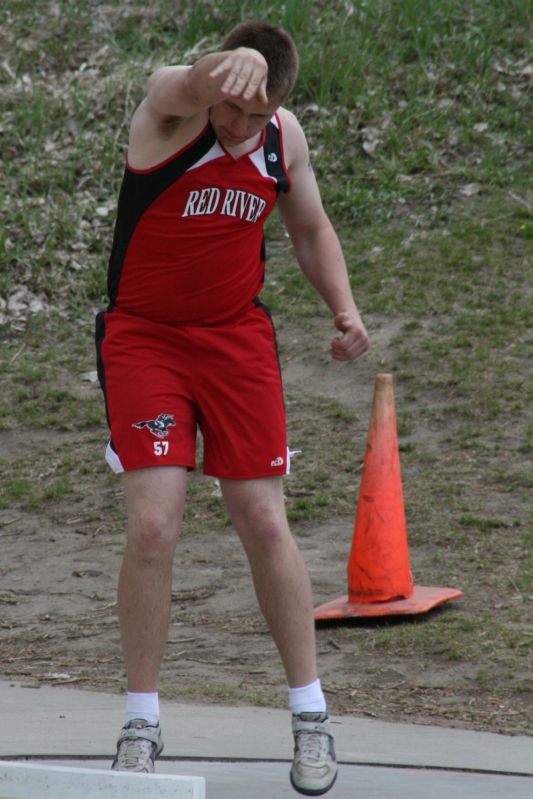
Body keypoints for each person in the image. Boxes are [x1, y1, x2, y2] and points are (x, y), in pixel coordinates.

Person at [95, 20, 368, 797]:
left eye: (258, 112)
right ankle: (140, 723)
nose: (242, 127)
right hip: (145, 339)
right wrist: (222, 69)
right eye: (235, 109)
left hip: (235, 339)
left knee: (261, 516)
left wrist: (342, 308)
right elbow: (175, 79)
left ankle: (310, 715)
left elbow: (309, 226)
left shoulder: (283, 136)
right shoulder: (173, 114)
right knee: (153, 522)